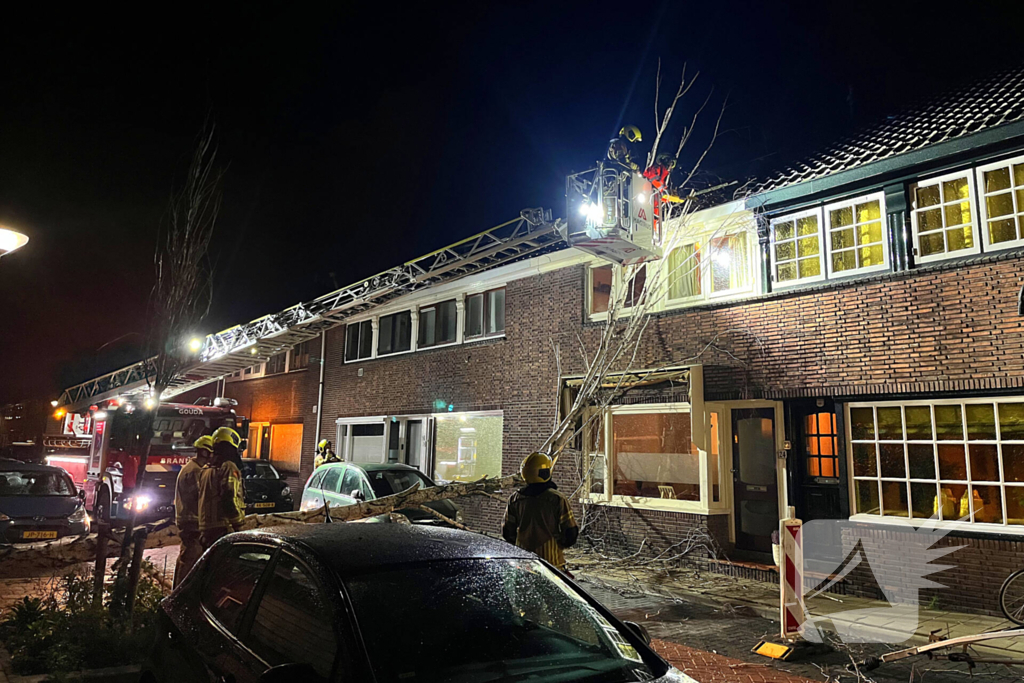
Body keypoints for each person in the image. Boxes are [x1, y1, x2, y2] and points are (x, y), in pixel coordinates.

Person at [501, 452, 579, 572]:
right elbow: (570, 532)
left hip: (524, 561)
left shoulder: (515, 499)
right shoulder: (557, 499)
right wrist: (559, 544)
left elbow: (507, 531)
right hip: (551, 562)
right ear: (546, 472)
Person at [198, 426, 246, 549]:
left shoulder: (206, 469)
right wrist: (238, 526)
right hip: (223, 527)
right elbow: (228, 496)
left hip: (207, 528)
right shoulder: (228, 467)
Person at [173, 435, 212, 587]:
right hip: (192, 522)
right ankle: (180, 595)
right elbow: (199, 497)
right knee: (190, 560)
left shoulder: (192, 468)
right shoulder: (195, 471)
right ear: (205, 452)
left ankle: (177, 592)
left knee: (187, 558)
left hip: (190, 521)